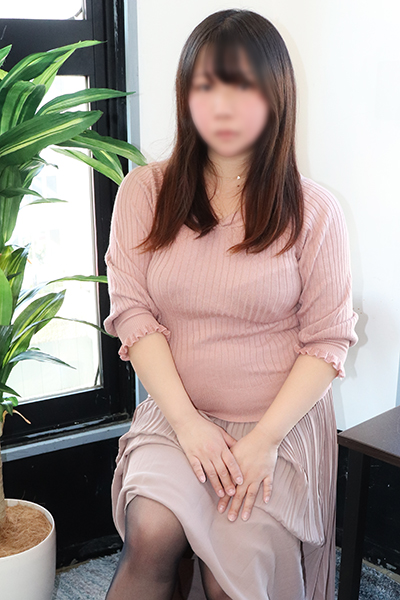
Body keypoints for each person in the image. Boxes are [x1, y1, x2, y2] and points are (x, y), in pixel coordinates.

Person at [103, 8, 359, 600]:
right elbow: (134, 315)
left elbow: (327, 342)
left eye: (242, 87)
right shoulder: (144, 192)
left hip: (278, 425)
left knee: (230, 578)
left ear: (275, 97)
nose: (223, 107)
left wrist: (264, 440)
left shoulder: (315, 212)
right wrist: (188, 423)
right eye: (207, 87)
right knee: (151, 531)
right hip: (178, 413)